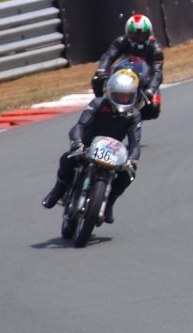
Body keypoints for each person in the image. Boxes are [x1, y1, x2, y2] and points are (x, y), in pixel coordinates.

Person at [42, 70, 143, 225]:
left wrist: (132, 159)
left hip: (113, 150)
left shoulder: (134, 115)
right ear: (110, 93)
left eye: (127, 97)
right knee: (67, 159)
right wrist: (77, 142)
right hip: (88, 145)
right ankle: (58, 191)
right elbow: (79, 126)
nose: (123, 100)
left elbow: (135, 142)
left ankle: (109, 204)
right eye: (119, 96)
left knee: (128, 175)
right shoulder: (97, 104)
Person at [95, 13, 164, 105]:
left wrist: (151, 89)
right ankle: (100, 103)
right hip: (124, 72)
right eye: (135, 35)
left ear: (149, 33)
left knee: (154, 106)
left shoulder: (156, 48)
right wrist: (101, 69)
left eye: (142, 35)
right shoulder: (122, 41)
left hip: (146, 79)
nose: (139, 38)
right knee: (97, 79)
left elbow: (157, 72)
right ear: (128, 34)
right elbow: (109, 55)